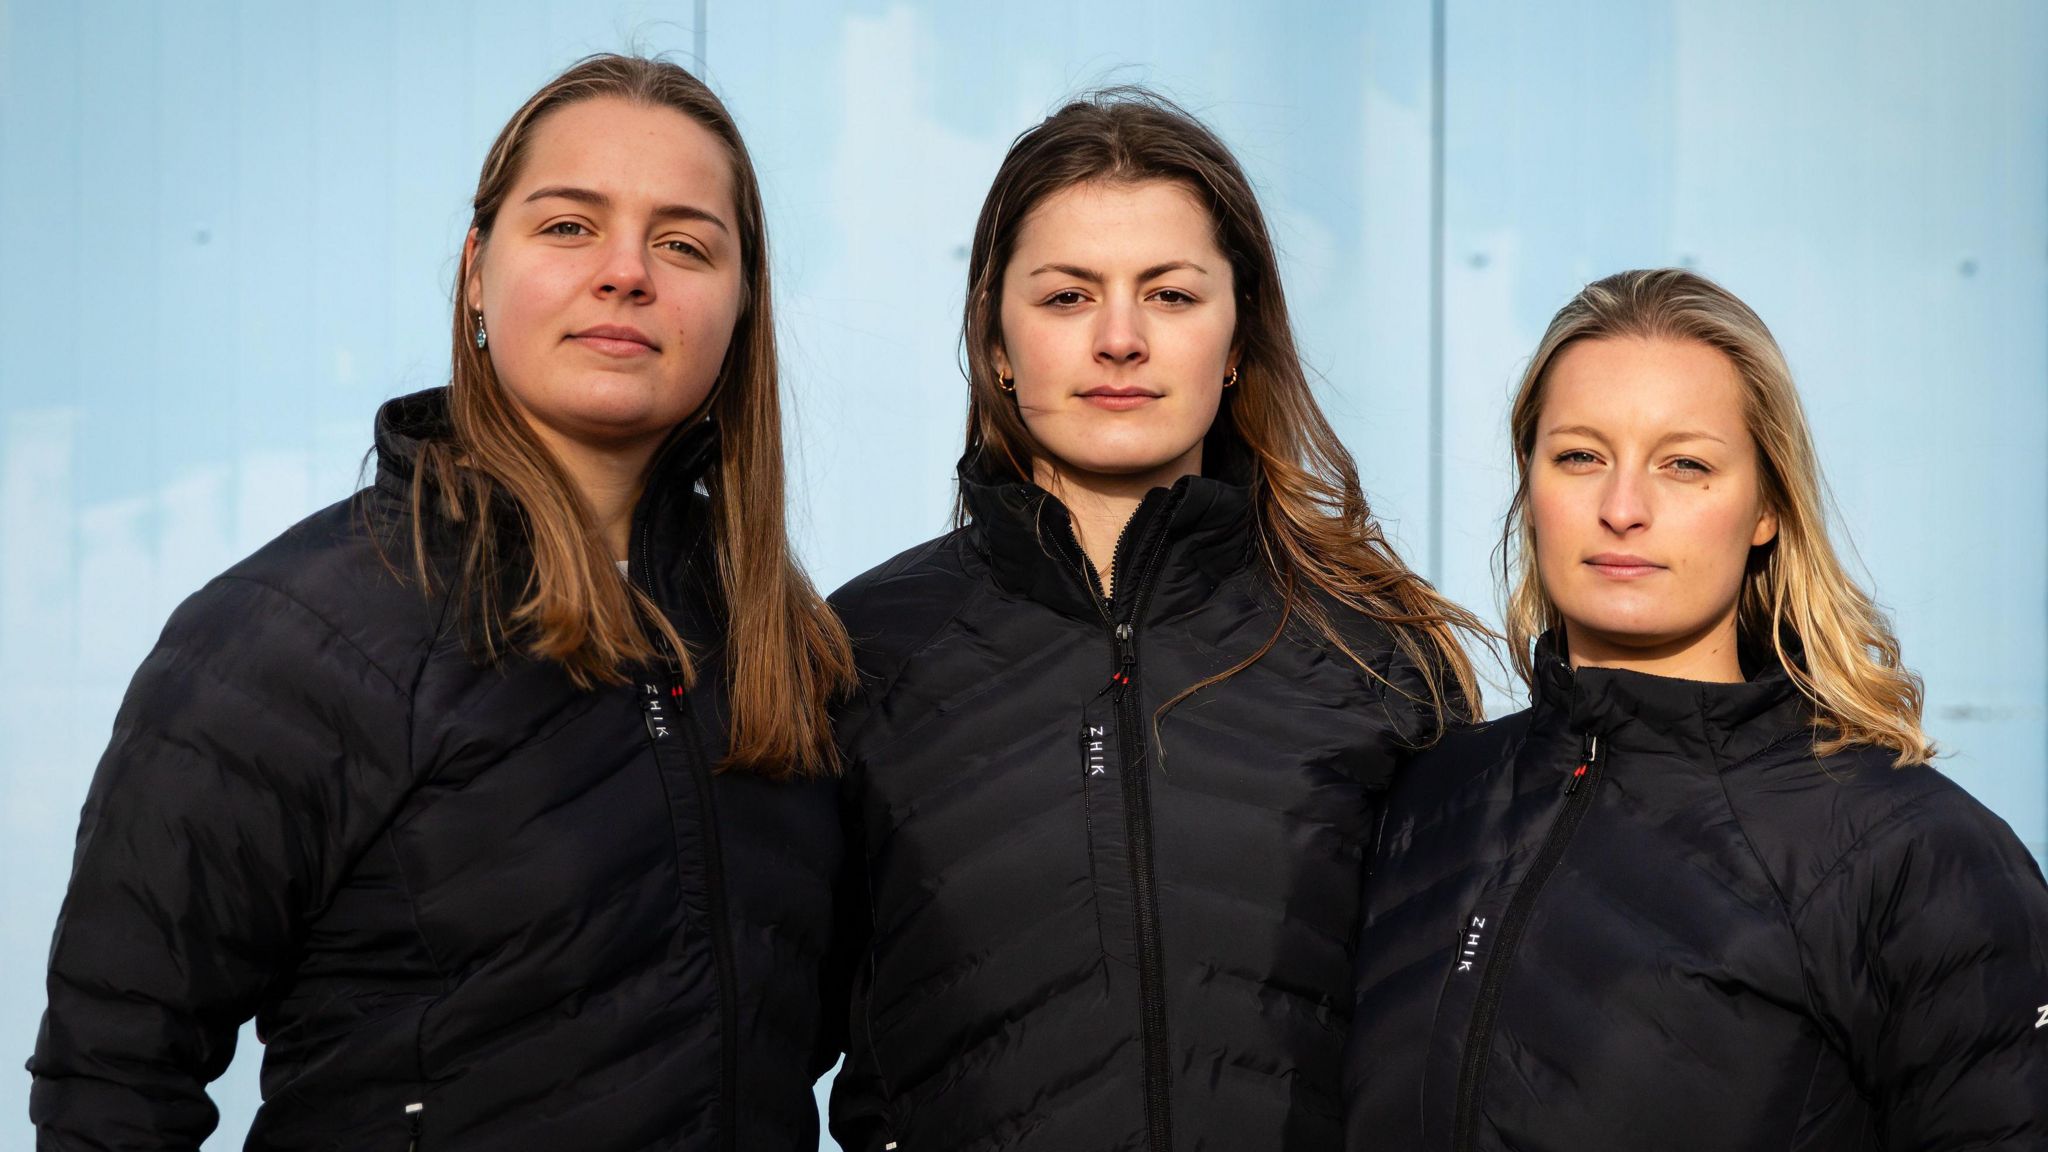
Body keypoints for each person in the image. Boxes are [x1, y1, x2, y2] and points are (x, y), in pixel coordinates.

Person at [29, 54, 853, 1152]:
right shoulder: (292, 634)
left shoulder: (785, 651)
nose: (625, 273)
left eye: (684, 243)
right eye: (567, 227)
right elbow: (113, 1079)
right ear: (475, 272)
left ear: (742, 304)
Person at [828, 89, 1483, 1151]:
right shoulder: (857, 652)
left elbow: (1455, 1050)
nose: (1120, 340)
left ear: (1236, 341)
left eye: (1171, 296)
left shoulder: (1374, 655)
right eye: (1066, 298)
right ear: (995, 337)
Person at [1345, 268, 2048, 1151]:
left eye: (1686, 464)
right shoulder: (1425, 802)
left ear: (1766, 507)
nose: (1623, 508)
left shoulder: (1912, 851)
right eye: (1580, 456)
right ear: (1530, 492)